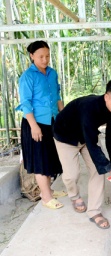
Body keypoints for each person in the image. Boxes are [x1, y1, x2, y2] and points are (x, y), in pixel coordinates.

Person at [53, 78, 111, 229]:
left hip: (85, 136)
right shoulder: (89, 107)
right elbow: (92, 143)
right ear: (107, 96)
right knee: (71, 175)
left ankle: (94, 211)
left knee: (98, 170)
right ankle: (74, 196)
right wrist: (110, 168)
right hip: (65, 137)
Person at [16, 40, 66, 209]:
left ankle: (50, 190)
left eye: (47, 56)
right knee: (39, 159)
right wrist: (34, 127)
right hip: (35, 123)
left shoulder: (52, 73)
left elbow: (57, 96)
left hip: (52, 120)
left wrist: (63, 114)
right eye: (41, 57)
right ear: (32, 56)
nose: (45, 60)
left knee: (51, 156)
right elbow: (26, 103)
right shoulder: (27, 77)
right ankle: (45, 197)